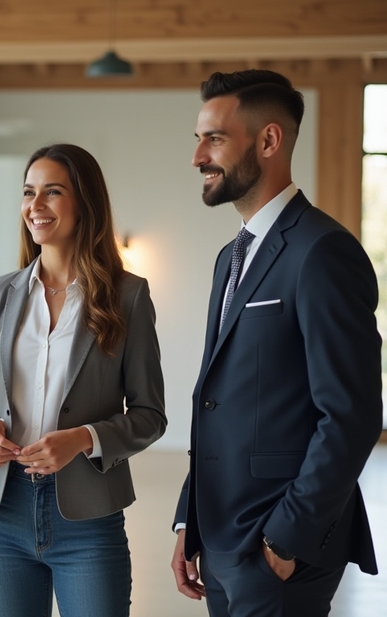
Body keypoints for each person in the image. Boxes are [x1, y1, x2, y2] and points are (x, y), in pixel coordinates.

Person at [171, 69, 382, 617]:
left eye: (213, 138)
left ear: (268, 140)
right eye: (198, 139)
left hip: (279, 542)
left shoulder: (323, 252)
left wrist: (285, 540)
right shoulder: (229, 258)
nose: (198, 157)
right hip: (219, 534)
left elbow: (352, 415)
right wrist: (188, 520)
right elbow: (215, 398)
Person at [0, 143, 167, 617]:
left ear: (84, 203)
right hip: (1, 514)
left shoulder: (128, 296)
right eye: (29, 192)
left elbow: (150, 415)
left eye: (52, 192)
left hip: (88, 520)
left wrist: (82, 439)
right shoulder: (0, 293)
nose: (35, 206)